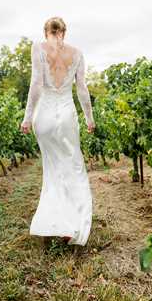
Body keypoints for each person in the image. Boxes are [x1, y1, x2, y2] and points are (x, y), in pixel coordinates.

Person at [20, 17, 95, 246]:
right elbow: (82, 89)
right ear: (64, 31)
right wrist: (90, 119)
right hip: (67, 117)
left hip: (44, 117)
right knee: (73, 167)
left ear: (46, 32)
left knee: (52, 170)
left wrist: (27, 118)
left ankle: (54, 222)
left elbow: (36, 84)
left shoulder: (38, 48)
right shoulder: (78, 53)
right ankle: (71, 223)